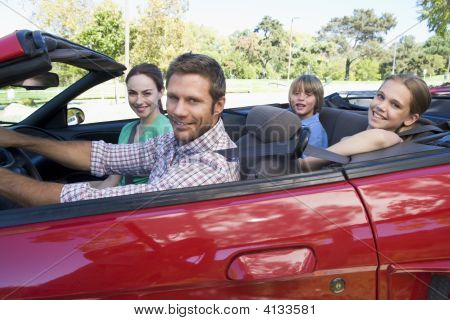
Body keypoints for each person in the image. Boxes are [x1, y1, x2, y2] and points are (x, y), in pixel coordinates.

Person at [0, 53, 240, 207]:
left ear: (218, 105)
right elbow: (105, 156)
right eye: (174, 98)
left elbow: (99, 201)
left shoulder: (209, 168)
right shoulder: (177, 141)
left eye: (193, 101)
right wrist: (20, 140)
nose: (178, 111)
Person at [301, 74, 431, 170]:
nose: (381, 106)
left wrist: (303, 164)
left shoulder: (393, 138)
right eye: (380, 96)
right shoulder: (360, 138)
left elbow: (379, 137)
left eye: (395, 105)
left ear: (410, 119)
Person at [92, 63, 172, 189]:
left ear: (161, 92)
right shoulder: (127, 129)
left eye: (146, 93)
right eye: (132, 93)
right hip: (119, 192)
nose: (139, 101)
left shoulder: (168, 131)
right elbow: (114, 179)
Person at [288, 75, 328, 148]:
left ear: (317, 99)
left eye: (308, 95)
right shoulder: (285, 116)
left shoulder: (314, 131)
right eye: (296, 93)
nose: (301, 98)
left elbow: (307, 159)